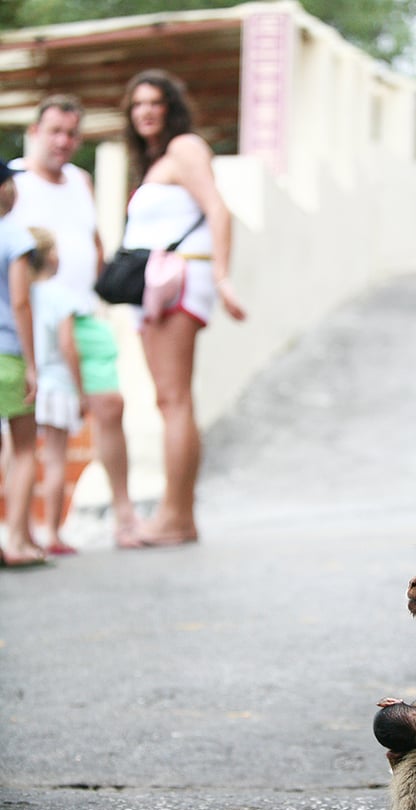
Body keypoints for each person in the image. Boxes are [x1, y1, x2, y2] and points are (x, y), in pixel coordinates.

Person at [120, 69, 246, 546]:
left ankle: (175, 517)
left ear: (171, 107)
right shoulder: (157, 160)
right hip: (156, 290)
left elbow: (218, 208)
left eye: (155, 102)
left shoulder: (184, 149)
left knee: (174, 401)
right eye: (137, 104)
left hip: (177, 285)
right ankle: (180, 517)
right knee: (170, 400)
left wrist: (222, 277)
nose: (146, 111)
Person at [9, 95, 141, 548]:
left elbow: (94, 240)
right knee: (31, 428)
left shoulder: (80, 181)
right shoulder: (15, 182)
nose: (63, 142)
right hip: (34, 323)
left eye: (71, 133)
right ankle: (28, 530)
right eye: (55, 132)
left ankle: (123, 515)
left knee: (108, 406)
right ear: (35, 133)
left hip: (82, 312)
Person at [28, 227, 88, 555]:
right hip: (58, 386)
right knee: (54, 461)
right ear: (51, 256)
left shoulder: (19, 294)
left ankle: (21, 532)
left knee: (17, 455)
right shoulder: (60, 295)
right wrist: (81, 391)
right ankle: (51, 533)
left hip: (29, 384)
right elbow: (68, 345)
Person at [0, 160, 45, 568]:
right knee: (26, 448)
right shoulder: (14, 235)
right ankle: (15, 538)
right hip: (7, 356)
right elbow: (19, 301)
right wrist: (32, 363)